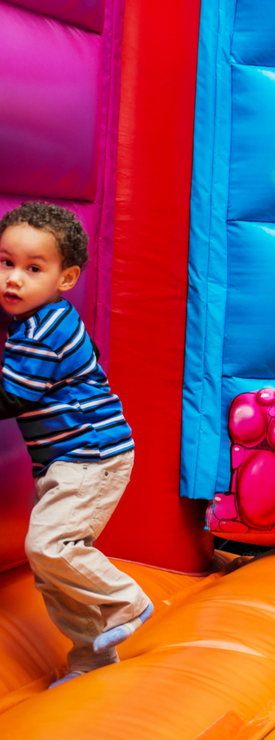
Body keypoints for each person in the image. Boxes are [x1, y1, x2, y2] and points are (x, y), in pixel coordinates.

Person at [0, 202, 151, 688]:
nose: (14, 279)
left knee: (49, 546)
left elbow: (10, 395)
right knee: (52, 569)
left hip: (91, 456)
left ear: (66, 279)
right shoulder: (39, 322)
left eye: (32, 268)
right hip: (65, 459)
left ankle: (125, 601)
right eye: (5, 263)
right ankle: (91, 658)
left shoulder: (44, 330)